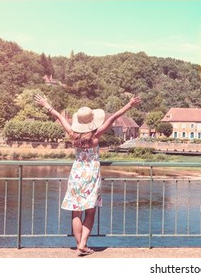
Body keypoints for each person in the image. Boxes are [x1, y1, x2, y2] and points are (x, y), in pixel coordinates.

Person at [34, 93, 141, 256]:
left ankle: (80, 246)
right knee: (90, 211)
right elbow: (114, 117)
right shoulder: (95, 136)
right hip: (91, 174)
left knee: (75, 211)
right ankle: (82, 245)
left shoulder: (72, 134)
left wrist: (46, 104)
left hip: (76, 173)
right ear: (92, 121)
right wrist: (129, 104)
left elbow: (58, 116)